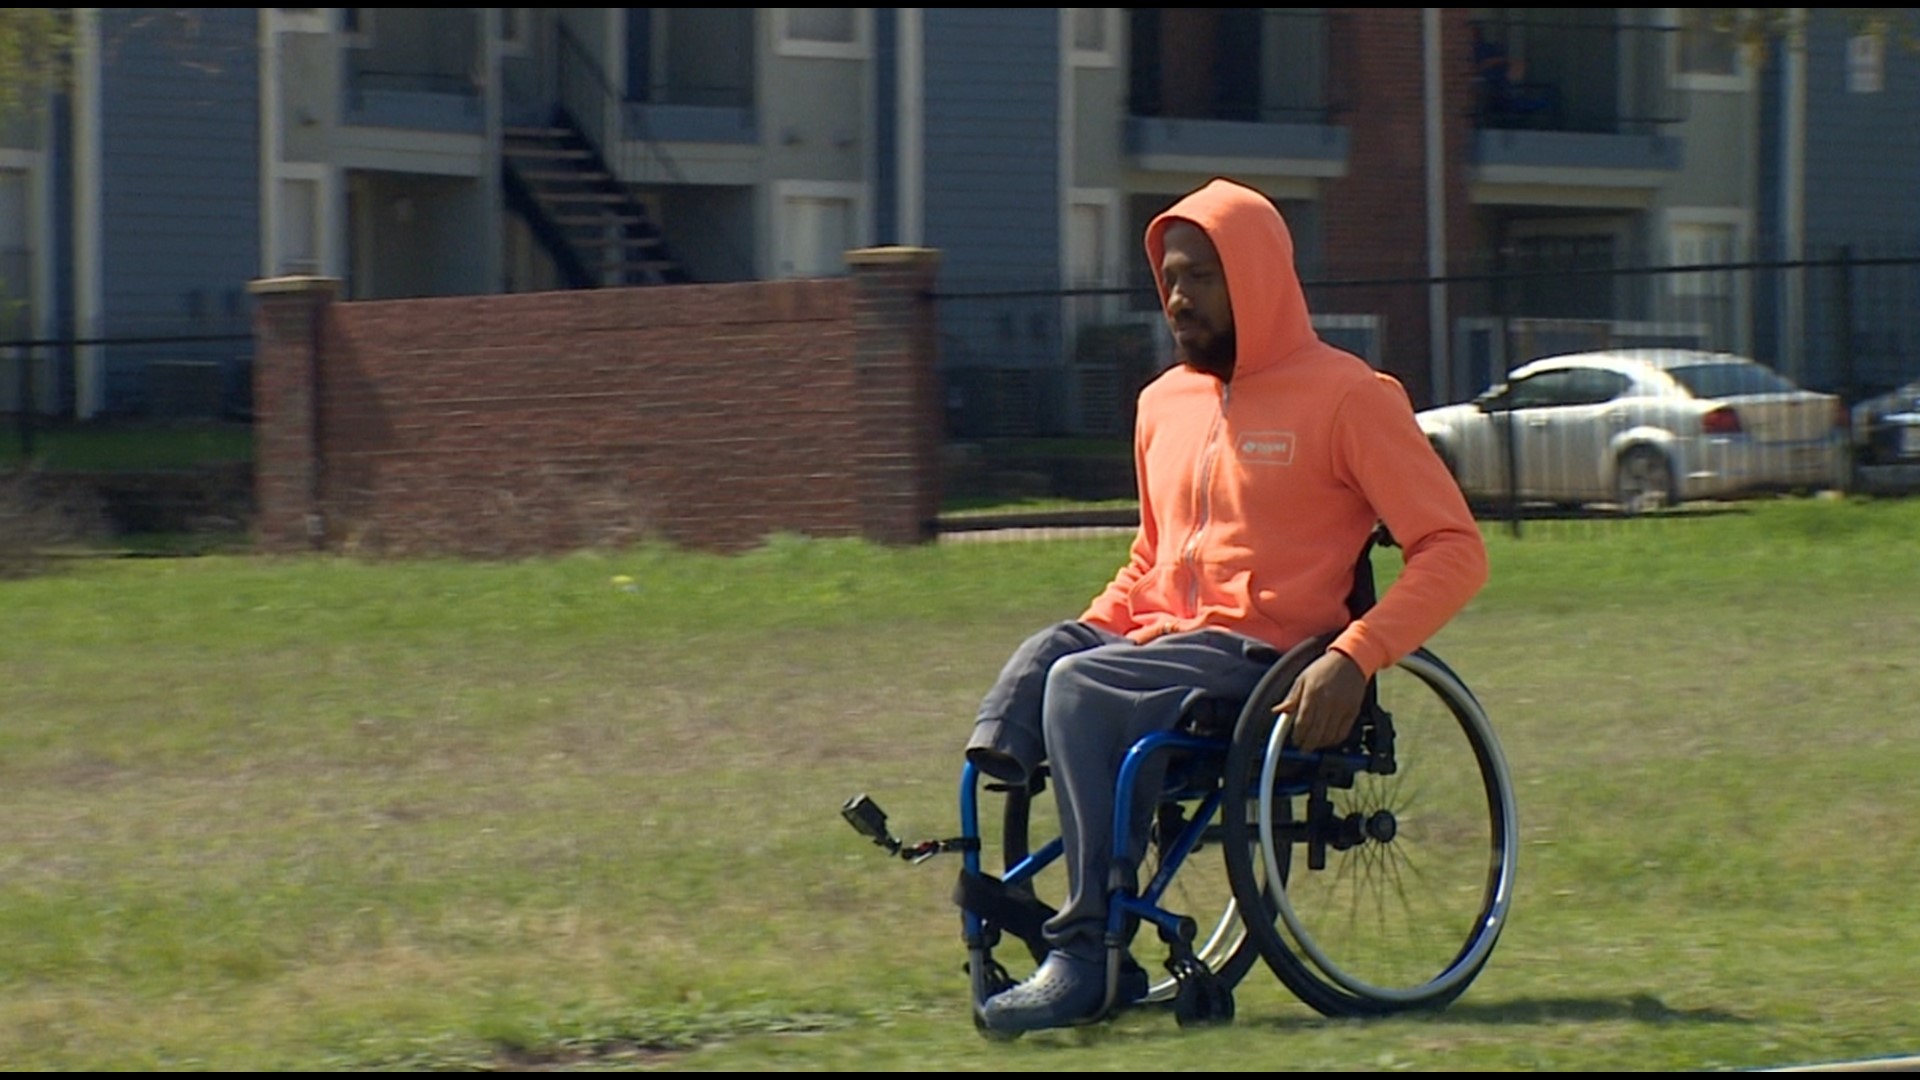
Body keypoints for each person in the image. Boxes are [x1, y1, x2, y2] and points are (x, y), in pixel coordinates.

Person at [963, 177, 1489, 1036]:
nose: (1177, 297)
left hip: (1265, 654)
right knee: (1048, 659)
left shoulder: (1349, 396)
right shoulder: (1161, 405)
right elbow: (1153, 559)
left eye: (1201, 277)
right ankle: (1007, 896)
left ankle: (1090, 949)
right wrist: (1093, 631)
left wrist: (1355, 656)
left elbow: (1455, 551)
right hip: (1164, 637)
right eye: (1169, 277)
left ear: (1257, 278)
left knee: (1081, 688)